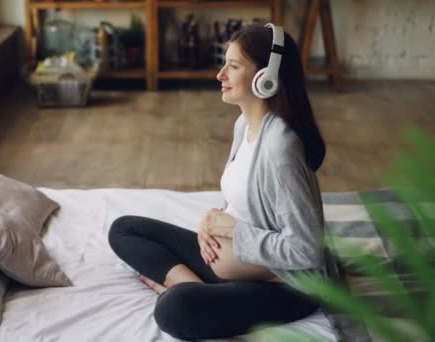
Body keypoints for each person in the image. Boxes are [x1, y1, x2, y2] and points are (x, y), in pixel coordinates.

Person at [108, 23, 329, 340]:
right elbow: (241, 202)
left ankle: (184, 292)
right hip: (234, 266)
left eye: (234, 66)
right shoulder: (244, 124)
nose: (220, 75)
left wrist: (231, 230)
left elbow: (307, 250)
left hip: (286, 287)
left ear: (265, 78)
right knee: (124, 229)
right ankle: (192, 286)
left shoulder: (280, 148)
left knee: (174, 310)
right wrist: (209, 225)